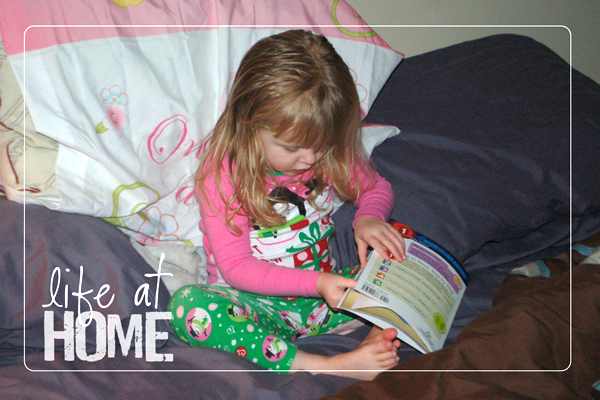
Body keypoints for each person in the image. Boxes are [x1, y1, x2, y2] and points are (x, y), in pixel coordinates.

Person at [168, 30, 406, 380]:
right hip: (256, 307)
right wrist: (317, 283)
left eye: (321, 144)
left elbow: (376, 187)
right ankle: (324, 365)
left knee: (403, 258)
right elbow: (236, 268)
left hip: (328, 300)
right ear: (249, 126)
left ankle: (376, 338)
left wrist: (368, 218)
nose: (309, 158)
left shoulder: (325, 153)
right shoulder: (223, 175)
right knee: (189, 307)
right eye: (292, 148)